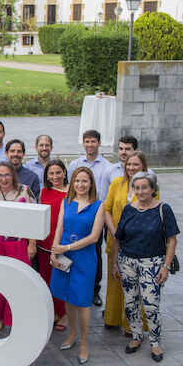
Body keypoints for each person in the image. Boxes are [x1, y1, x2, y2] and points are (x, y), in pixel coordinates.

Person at [112, 172, 178, 363]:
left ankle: (155, 342)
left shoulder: (163, 209)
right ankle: (136, 336)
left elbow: (172, 240)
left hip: (153, 264)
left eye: (145, 187)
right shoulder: (128, 209)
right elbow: (118, 238)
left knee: (150, 305)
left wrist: (166, 266)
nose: (140, 191)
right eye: (137, 188)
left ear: (153, 189)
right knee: (130, 303)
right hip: (127, 262)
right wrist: (115, 263)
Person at [50, 167, 105, 365]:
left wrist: (67, 247)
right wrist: (54, 251)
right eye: (77, 181)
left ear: (91, 184)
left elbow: (94, 237)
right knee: (67, 296)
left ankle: (84, 343)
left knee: (82, 301)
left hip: (84, 257)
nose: (81, 185)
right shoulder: (66, 202)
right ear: (72, 182)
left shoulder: (98, 206)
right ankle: (72, 334)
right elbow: (59, 227)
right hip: (64, 254)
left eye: (85, 181)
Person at [0, 161, 37, 331]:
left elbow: (34, 219)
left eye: (6, 175)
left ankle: (15, 318)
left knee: (18, 281)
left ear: (12, 175)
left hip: (17, 243)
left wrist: (32, 244)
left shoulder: (25, 191)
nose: (3, 179)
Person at [104, 151, 154, 333]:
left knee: (136, 285)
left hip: (138, 244)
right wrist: (114, 232)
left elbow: (152, 213)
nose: (131, 168)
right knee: (115, 280)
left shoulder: (149, 186)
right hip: (116, 240)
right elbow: (107, 209)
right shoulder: (117, 183)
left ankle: (132, 324)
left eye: (136, 165)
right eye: (129, 164)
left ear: (143, 167)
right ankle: (112, 317)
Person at [67, 129, 110, 307]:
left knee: (94, 252)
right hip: (77, 212)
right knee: (74, 248)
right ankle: (74, 286)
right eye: (87, 141)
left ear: (99, 143)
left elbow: (106, 195)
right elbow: (71, 189)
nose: (90, 145)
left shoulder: (107, 166)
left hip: (97, 213)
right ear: (83, 143)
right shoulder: (74, 165)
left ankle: (94, 290)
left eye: (93, 141)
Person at [38, 160, 70, 331]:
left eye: (58, 172)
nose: (55, 176)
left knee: (61, 280)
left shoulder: (73, 191)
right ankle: (53, 312)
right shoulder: (44, 191)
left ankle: (64, 314)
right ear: (47, 176)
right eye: (51, 173)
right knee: (47, 280)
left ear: (64, 173)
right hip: (44, 244)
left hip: (64, 243)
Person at [99, 135, 146, 201]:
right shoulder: (109, 171)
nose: (123, 152)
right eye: (121, 149)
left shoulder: (148, 174)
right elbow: (103, 198)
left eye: (127, 149)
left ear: (136, 150)